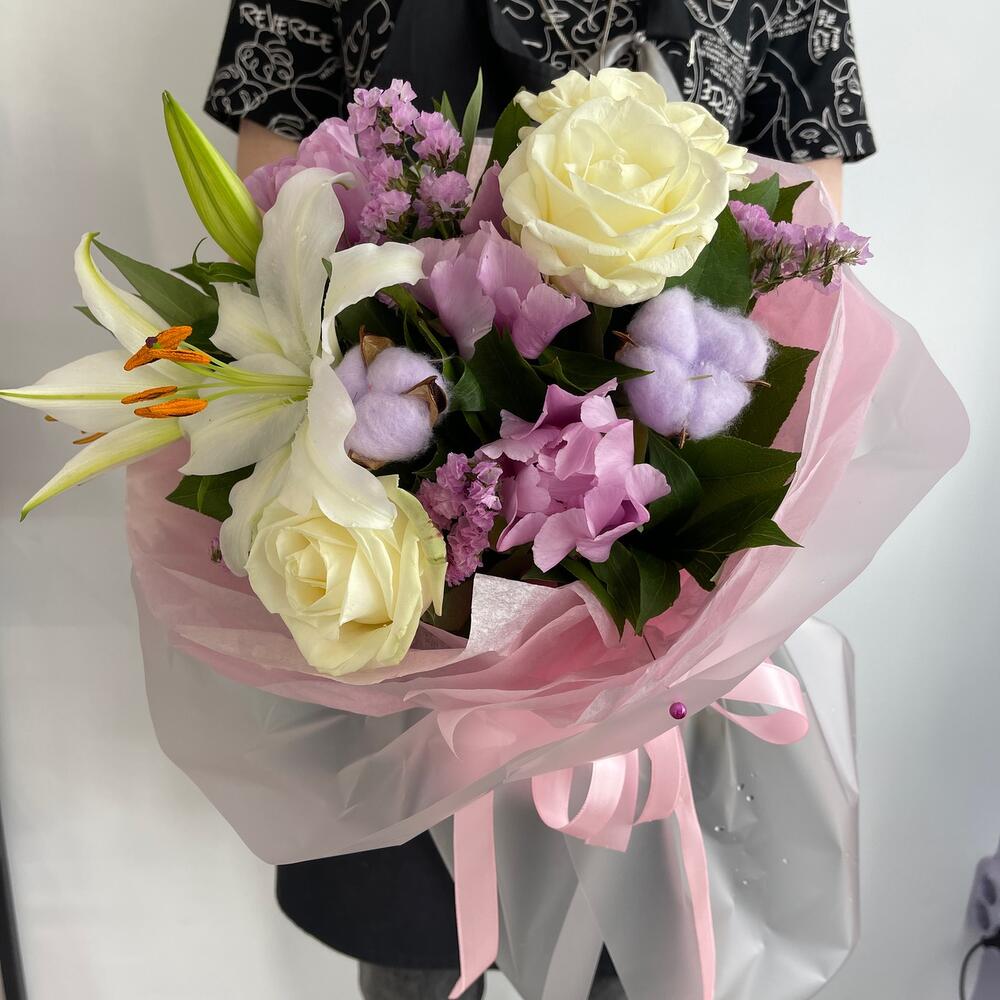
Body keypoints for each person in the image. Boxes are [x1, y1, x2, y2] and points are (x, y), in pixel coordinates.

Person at [204, 3, 875, 997]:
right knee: (421, 955)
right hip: (403, 613)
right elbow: (269, 222)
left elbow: (808, 256)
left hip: (655, 616)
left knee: (634, 949)